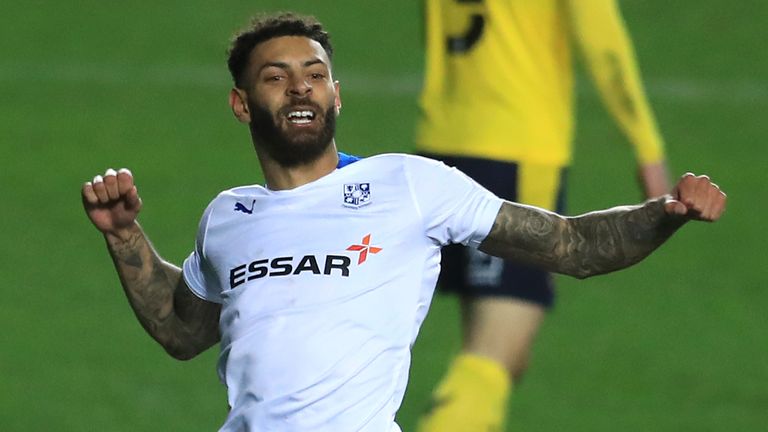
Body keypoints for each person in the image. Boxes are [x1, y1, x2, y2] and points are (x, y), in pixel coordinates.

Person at [81, 12, 726, 432]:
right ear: (241, 104)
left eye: (315, 75)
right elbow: (183, 332)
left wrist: (664, 213)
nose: (300, 87)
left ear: (336, 95)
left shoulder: (409, 186)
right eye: (276, 78)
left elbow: (573, 244)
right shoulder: (228, 216)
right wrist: (123, 234)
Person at [415, 1, 673, 430]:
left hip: (443, 144)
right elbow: (603, 43)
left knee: (500, 358)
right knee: (491, 358)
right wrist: (647, 147)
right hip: (514, 150)